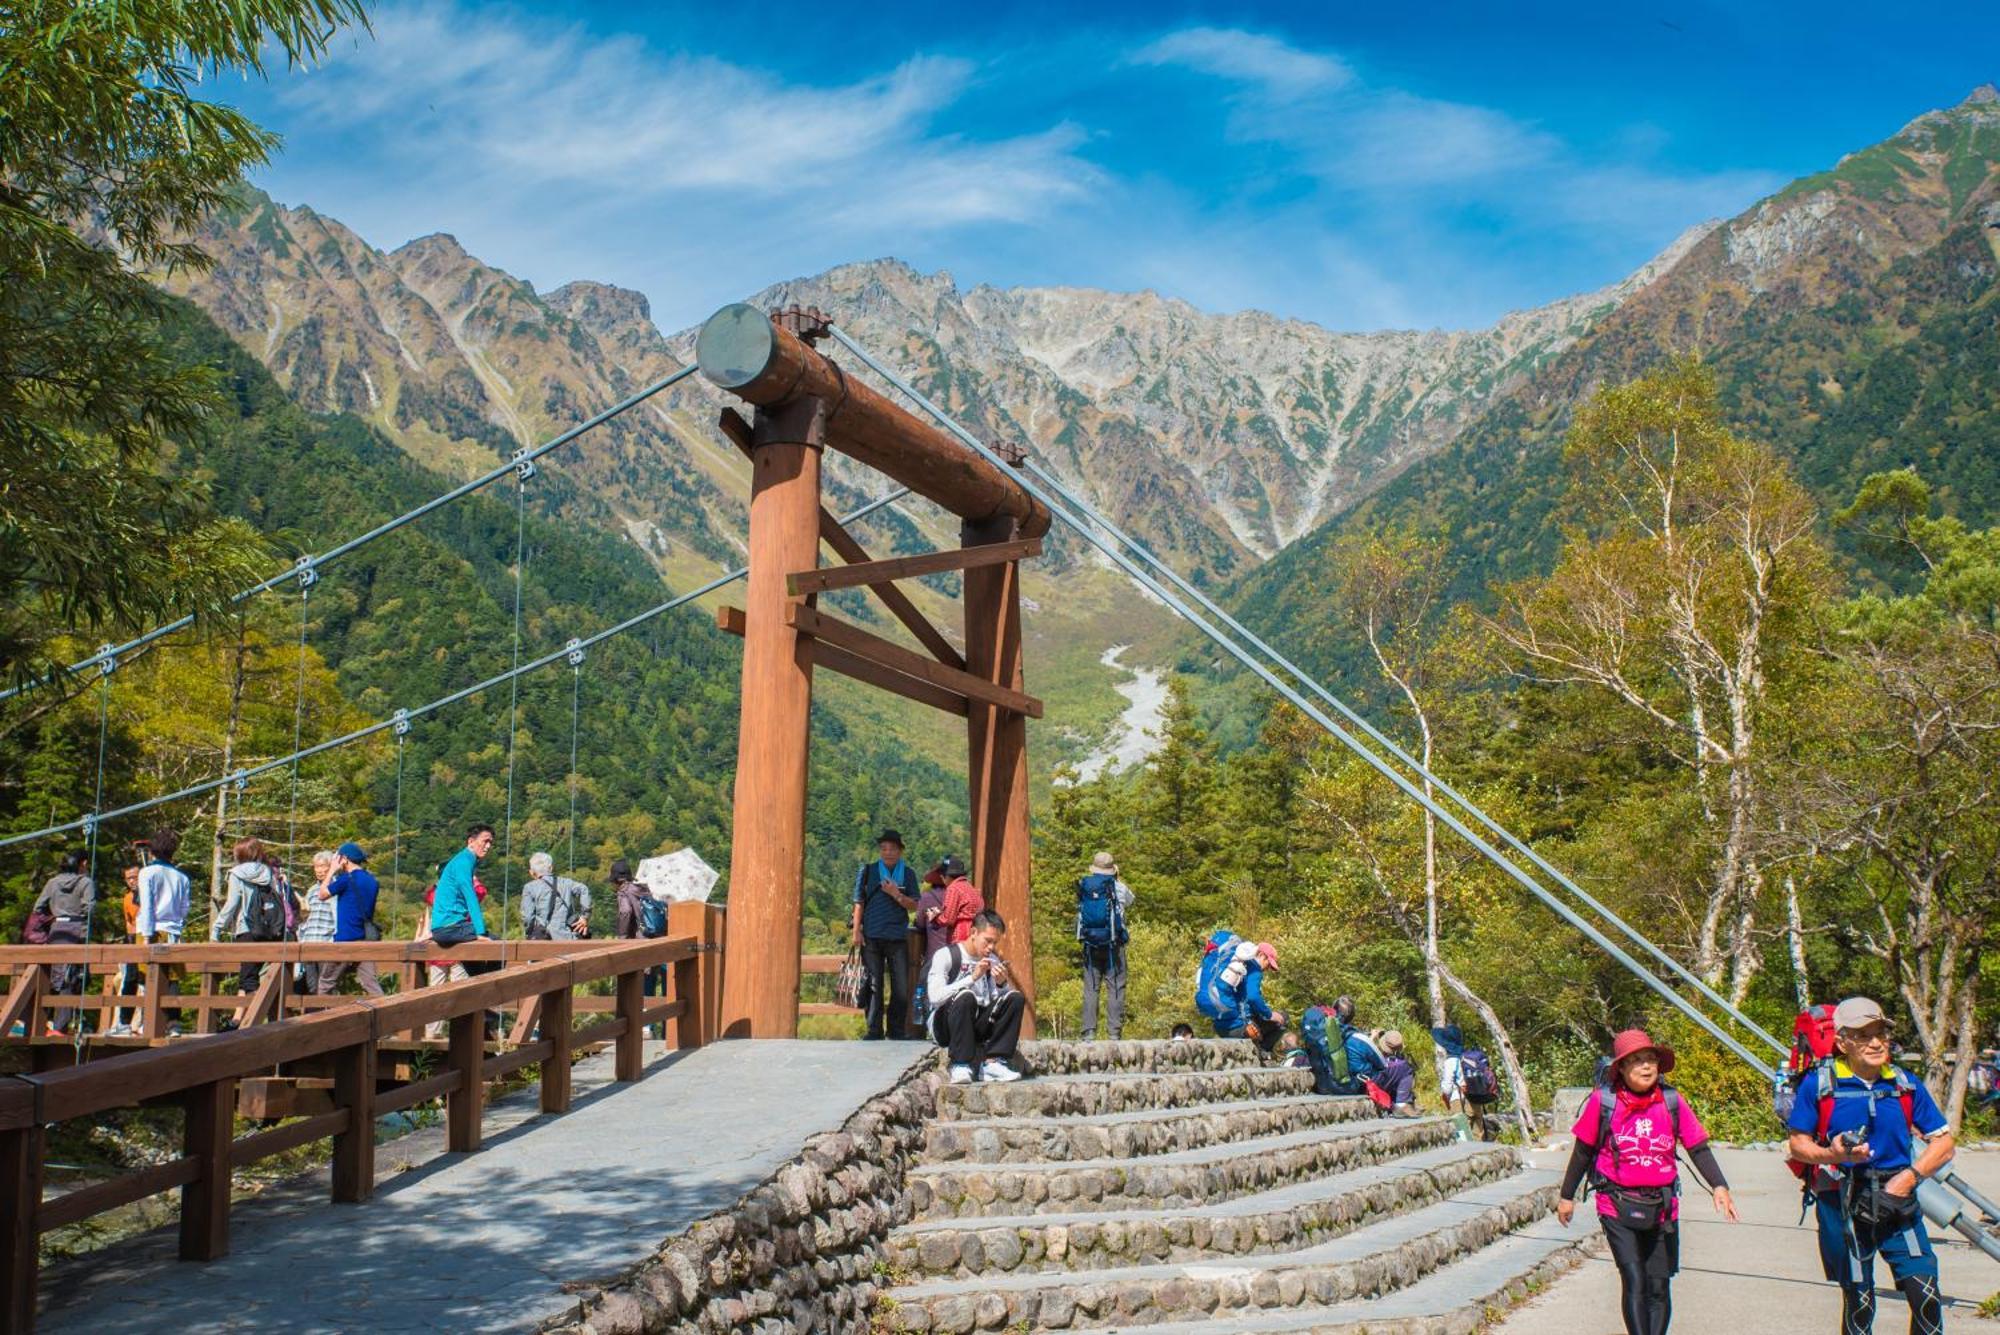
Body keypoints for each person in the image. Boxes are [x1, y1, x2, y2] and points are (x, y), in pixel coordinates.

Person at [1785, 996, 1952, 1335]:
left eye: (1880, 1033)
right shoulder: (1820, 1085)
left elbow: (1944, 1144)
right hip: (1845, 1200)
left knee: (1927, 1296)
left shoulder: (1904, 1083)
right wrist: (1832, 1155)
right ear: (1841, 1041)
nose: (1875, 1042)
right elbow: (1797, 1144)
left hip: (1898, 1199)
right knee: (1860, 1304)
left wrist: (1909, 1177)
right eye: (1862, 1035)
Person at [1557, 1029, 1737, 1335]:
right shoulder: (1605, 1102)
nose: (1645, 1066)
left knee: (1659, 1284)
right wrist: (1566, 1196)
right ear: (1621, 1069)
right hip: (1615, 1204)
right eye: (1636, 1060)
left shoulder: (1671, 1101)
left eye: (1650, 1059)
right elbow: (1583, 1151)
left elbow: (1697, 1147)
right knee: (1634, 1279)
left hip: (1663, 1207)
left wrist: (1719, 1186)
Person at [926, 909, 1026, 1084]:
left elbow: (996, 1003)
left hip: (975, 1025)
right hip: (945, 1026)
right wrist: (972, 978)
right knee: (966, 996)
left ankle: (993, 1063)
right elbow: (935, 997)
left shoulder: (992, 960)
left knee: (1015, 998)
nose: (991, 948)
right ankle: (960, 1065)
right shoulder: (946, 955)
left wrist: (1001, 984)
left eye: (995, 943)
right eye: (987, 941)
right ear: (973, 932)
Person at [851, 829, 919, 1041]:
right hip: (871, 935)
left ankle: (896, 1030)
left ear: (900, 851)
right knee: (873, 985)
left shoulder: (908, 874)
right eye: (884, 849)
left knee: (900, 987)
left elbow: (914, 904)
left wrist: (895, 894)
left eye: (892, 849)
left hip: (897, 936)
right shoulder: (868, 871)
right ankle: (874, 1030)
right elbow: (859, 902)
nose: (888, 852)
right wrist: (856, 932)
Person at [134, 826, 190, 1035]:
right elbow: (185, 908)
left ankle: (146, 1022)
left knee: (146, 978)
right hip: (172, 930)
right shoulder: (182, 877)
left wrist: (147, 935)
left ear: (152, 850)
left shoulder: (147, 872)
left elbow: (147, 905)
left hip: (151, 929)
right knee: (173, 978)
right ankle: (173, 1023)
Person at [31, 850, 95, 1035]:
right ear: (82, 863)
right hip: (77, 931)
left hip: (57, 931)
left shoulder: (53, 882)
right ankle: (61, 1026)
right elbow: (89, 908)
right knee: (73, 978)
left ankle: (49, 1022)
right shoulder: (85, 882)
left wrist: (54, 917)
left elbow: (38, 907)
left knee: (56, 976)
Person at [213, 837, 283, 1004]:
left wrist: (217, 928)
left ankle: (252, 1025)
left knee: (248, 980)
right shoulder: (268, 872)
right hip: (269, 931)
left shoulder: (236, 873)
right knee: (264, 977)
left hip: (246, 929)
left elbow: (232, 903)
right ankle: (252, 1021)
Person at [1076, 850, 1132, 1042]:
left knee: (1091, 988)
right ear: (1112, 870)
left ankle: (1088, 1032)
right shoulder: (1119, 887)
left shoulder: (1085, 885)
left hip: (1090, 944)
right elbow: (1131, 901)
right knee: (1116, 986)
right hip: (1114, 946)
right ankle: (1114, 1033)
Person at [315, 842, 383, 997]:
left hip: (345, 940)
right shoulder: (372, 881)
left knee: (325, 983)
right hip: (365, 940)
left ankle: (318, 1019)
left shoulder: (345, 879)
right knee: (371, 985)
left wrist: (331, 871)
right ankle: (387, 1017)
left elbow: (322, 894)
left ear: (344, 859)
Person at [1197, 934, 1286, 1051]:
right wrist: (1270, 1014)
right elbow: (1253, 997)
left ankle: (1258, 1049)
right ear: (1261, 955)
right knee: (1284, 1018)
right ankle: (1262, 1052)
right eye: (1268, 963)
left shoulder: (1237, 962)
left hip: (1221, 1027)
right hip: (1241, 1028)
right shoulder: (1254, 968)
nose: (1267, 968)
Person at [106, 861, 144, 1035]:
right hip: (133, 941)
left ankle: (144, 1022)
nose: (132, 881)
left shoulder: (148, 894)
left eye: (134, 877)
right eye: (128, 878)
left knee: (145, 983)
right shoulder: (127, 898)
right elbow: (129, 922)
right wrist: (130, 943)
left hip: (147, 940)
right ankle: (123, 1023)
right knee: (128, 980)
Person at [522, 851, 592, 940]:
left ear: (531, 872)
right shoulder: (566, 883)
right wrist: (584, 917)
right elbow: (584, 889)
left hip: (544, 938)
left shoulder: (529, 888)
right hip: (569, 937)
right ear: (551, 868)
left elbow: (528, 917)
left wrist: (530, 933)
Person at [296, 849, 339, 993]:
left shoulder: (336, 887)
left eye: (322, 866)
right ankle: (312, 1015)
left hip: (326, 942)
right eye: (316, 866)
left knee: (325, 986)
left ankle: (328, 1016)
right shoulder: (312, 890)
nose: (319, 870)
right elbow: (306, 917)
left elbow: (338, 916)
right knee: (311, 986)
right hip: (309, 942)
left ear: (330, 867)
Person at [937, 855, 984, 945]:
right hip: (976, 933)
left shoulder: (953, 888)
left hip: (960, 934)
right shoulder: (971, 888)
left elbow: (948, 919)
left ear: (945, 876)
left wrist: (935, 917)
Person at [1376, 1030, 1420, 1117]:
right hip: (1399, 1100)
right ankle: (1401, 1106)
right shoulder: (1405, 1067)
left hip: (1376, 1093)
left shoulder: (1379, 1062)